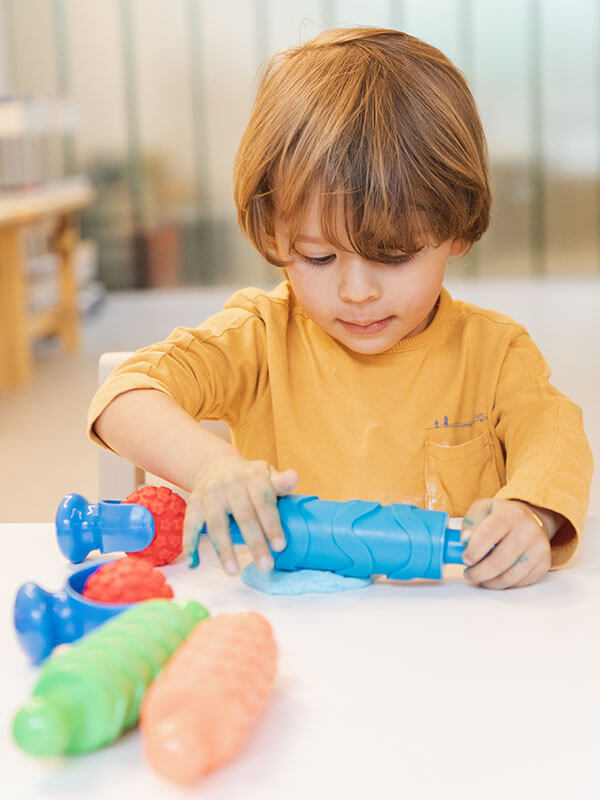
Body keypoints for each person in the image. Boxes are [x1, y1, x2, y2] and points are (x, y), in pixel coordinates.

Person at [88, 27, 593, 590]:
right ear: (273, 232)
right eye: (317, 256)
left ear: (457, 229)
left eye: (393, 256)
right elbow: (125, 394)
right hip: (300, 642)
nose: (356, 291)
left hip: (452, 646)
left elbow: (556, 441)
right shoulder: (260, 338)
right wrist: (212, 467)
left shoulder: (496, 354)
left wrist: (530, 515)